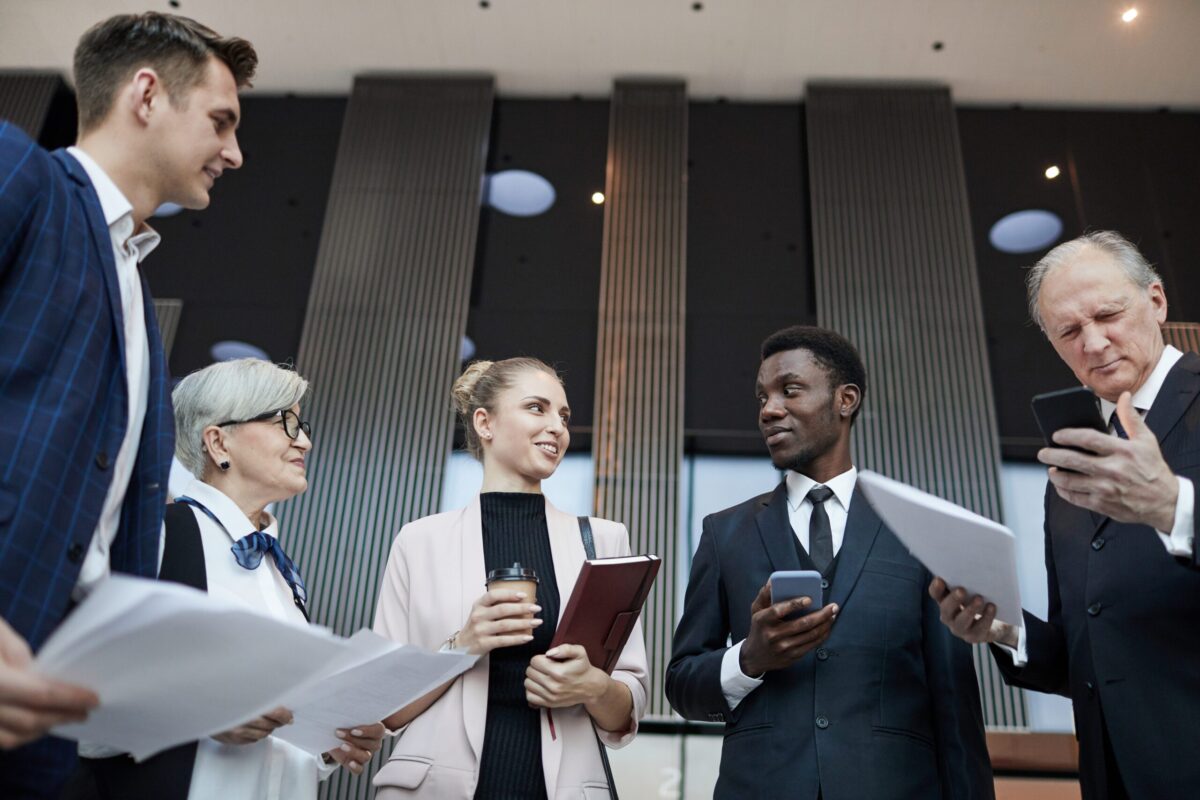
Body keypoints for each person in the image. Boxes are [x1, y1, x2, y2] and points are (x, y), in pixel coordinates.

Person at [0, 11, 256, 794]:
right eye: (221, 121)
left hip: (50, 716)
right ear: (147, 94)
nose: (235, 153)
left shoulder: (136, 286)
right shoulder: (23, 177)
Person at [666, 326, 993, 799]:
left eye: (789, 390)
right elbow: (682, 686)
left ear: (846, 400)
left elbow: (955, 701)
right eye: (762, 397)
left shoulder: (919, 528)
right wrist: (748, 658)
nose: (769, 409)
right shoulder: (724, 534)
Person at [930, 231, 1200, 800]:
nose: (1095, 343)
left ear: (1156, 301)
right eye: (1069, 331)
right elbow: (1088, 655)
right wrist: (1002, 628)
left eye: (1108, 314)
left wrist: (1173, 508)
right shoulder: (1072, 465)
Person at [66, 359, 386, 798]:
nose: (306, 441)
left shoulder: (283, 576)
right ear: (218, 442)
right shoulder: (156, 536)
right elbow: (71, 704)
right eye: (284, 423)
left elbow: (278, 743)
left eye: (302, 424)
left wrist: (328, 744)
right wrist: (203, 712)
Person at [371, 357, 649, 798]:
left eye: (563, 416)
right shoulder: (419, 540)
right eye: (537, 408)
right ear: (485, 423)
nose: (557, 427)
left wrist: (592, 686)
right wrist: (462, 646)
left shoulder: (605, 539)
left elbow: (626, 708)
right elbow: (382, 705)